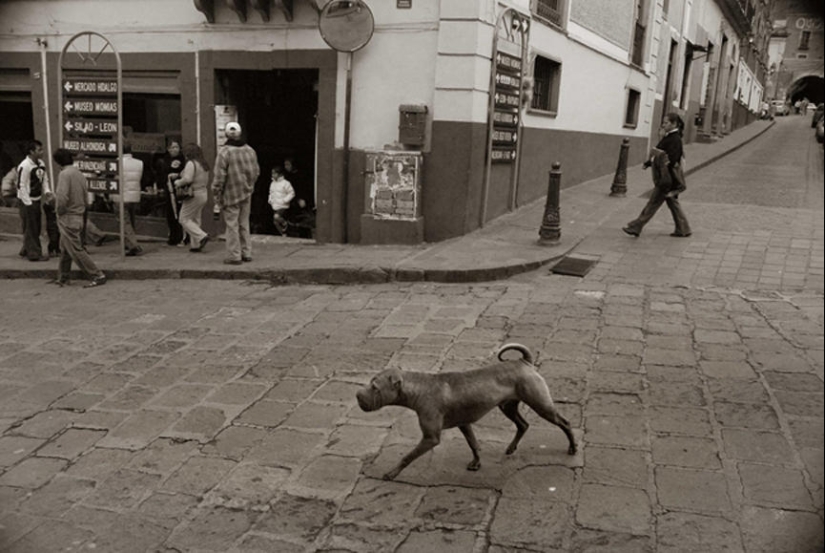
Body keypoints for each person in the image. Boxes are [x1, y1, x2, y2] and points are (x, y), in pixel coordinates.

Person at [623, 113, 692, 238]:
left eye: (666, 123)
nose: (663, 125)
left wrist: (664, 174)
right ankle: (683, 229)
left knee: (653, 203)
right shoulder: (670, 137)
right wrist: (649, 163)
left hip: (666, 179)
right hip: (667, 178)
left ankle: (636, 226)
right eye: (663, 122)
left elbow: (671, 159)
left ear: (674, 124)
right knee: (673, 204)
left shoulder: (674, 139)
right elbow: (659, 154)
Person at [50, 148, 106, 287]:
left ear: (58, 162)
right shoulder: (79, 173)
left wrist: (58, 210)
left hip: (68, 215)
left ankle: (97, 274)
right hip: (79, 214)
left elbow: (62, 197)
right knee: (65, 248)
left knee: (75, 249)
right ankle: (63, 277)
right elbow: (85, 195)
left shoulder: (64, 174)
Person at [211, 122, 259, 265]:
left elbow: (219, 176)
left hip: (230, 193)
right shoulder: (250, 150)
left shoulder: (225, 152)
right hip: (246, 192)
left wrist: (216, 192)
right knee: (244, 223)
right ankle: (247, 252)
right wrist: (249, 186)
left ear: (226, 135)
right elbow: (256, 172)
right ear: (240, 133)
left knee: (232, 225)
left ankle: (234, 255)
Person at [16, 140, 51, 261]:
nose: (42, 152)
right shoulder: (24, 166)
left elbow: (44, 179)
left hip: (36, 199)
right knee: (32, 227)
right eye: (39, 150)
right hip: (27, 201)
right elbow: (21, 185)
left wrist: (47, 192)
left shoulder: (41, 163)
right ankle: (34, 254)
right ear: (31, 152)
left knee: (34, 225)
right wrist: (28, 203)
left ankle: (26, 249)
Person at [174, 143, 211, 252]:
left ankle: (201, 236)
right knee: (195, 218)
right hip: (203, 192)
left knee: (183, 218)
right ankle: (195, 245)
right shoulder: (203, 164)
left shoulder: (191, 163)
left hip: (193, 194)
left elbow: (188, 179)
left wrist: (178, 182)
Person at [111, 143, 144, 256]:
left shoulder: (116, 163)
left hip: (120, 196)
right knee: (131, 220)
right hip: (134, 195)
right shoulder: (139, 163)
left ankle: (133, 245)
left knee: (124, 221)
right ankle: (128, 242)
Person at [156, 140, 186, 246]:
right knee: (170, 214)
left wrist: (177, 175)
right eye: (172, 147)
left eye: (176, 147)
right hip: (168, 190)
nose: (174, 149)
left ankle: (181, 237)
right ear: (168, 149)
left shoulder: (183, 160)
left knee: (179, 213)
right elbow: (161, 174)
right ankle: (173, 236)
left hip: (180, 191)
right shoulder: (165, 160)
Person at [268, 166, 294, 235]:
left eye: (274, 173)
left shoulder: (286, 183)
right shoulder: (272, 183)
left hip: (283, 205)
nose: (273, 175)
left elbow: (291, 193)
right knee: (275, 222)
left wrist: (284, 200)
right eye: (272, 173)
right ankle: (283, 234)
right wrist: (270, 200)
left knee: (276, 217)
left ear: (280, 174)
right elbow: (271, 193)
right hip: (275, 205)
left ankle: (285, 224)